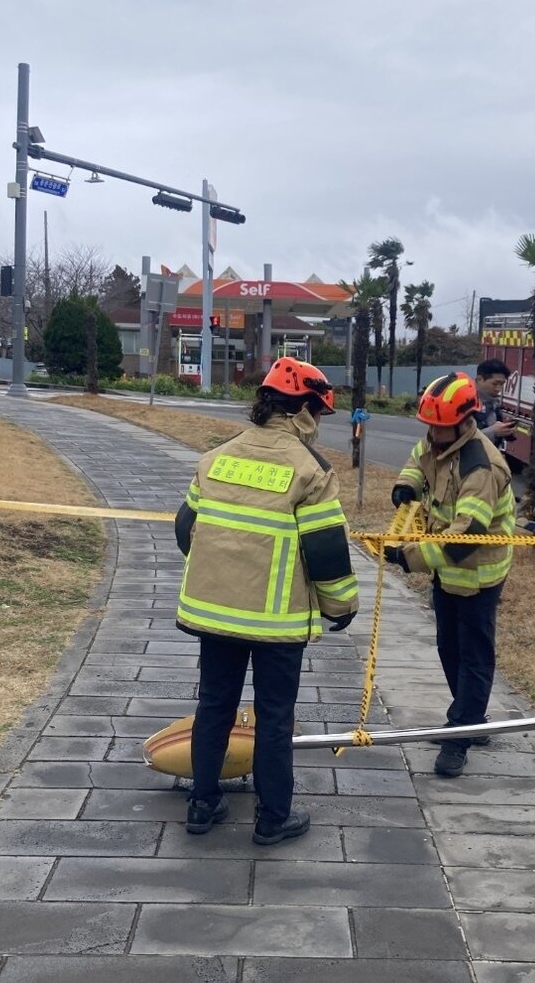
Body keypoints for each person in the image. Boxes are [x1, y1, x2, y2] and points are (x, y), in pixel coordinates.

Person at [174, 356, 359, 844]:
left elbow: (184, 529)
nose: (318, 425)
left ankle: (202, 803)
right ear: (303, 411)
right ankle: (273, 818)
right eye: (318, 414)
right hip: (276, 623)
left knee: (214, 706)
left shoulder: (216, 458)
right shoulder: (310, 470)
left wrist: (223, 572)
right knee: (274, 716)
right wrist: (342, 608)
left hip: (214, 614)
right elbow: (326, 552)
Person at [386, 372, 515, 778]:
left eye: (440, 427)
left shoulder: (481, 466)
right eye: (430, 425)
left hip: (478, 575)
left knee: (474, 655)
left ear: (464, 422)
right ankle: (470, 718)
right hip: (447, 574)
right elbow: (418, 460)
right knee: (449, 649)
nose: (433, 433)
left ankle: (459, 736)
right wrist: (405, 487)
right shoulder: (437, 441)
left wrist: (410, 558)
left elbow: (466, 537)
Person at [474, 359, 517, 448]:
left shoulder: (494, 403)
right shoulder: (465, 402)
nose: (499, 389)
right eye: (495, 383)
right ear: (480, 379)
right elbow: (459, 440)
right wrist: (492, 432)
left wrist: (504, 430)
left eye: (502, 384)